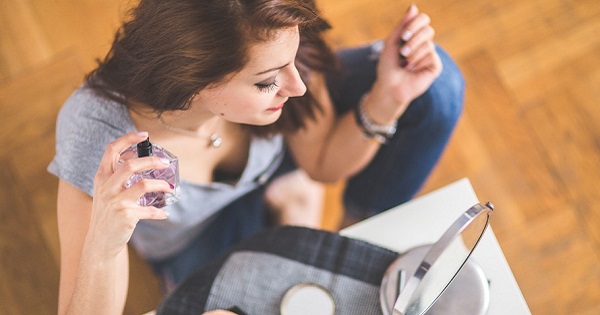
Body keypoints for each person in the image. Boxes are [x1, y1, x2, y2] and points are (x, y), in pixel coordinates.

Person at [48, 0, 464, 314]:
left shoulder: (271, 31)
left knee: (436, 87)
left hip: (279, 168)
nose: (298, 87)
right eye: (267, 82)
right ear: (192, 83)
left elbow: (321, 165)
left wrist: (387, 101)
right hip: (199, 237)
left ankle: (352, 232)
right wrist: (102, 245)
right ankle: (293, 210)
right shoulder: (102, 139)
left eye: (292, 63)